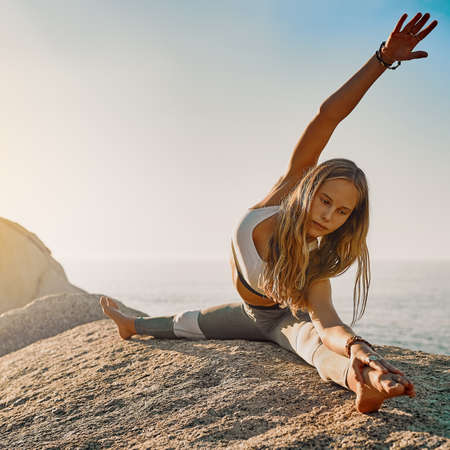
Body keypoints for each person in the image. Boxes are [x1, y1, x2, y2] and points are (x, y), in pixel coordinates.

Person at [100, 12, 437, 413]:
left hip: (281, 320)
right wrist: (381, 60)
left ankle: (368, 382)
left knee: (313, 347)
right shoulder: (286, 190)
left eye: (343, 212)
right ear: (308, 188)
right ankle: (130, 324)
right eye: (325, 200)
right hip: (245, 313)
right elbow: (328, 116)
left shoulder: (316, 265)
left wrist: (357, 346)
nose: (329, 216)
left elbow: (327, 323)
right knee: (180, 324)